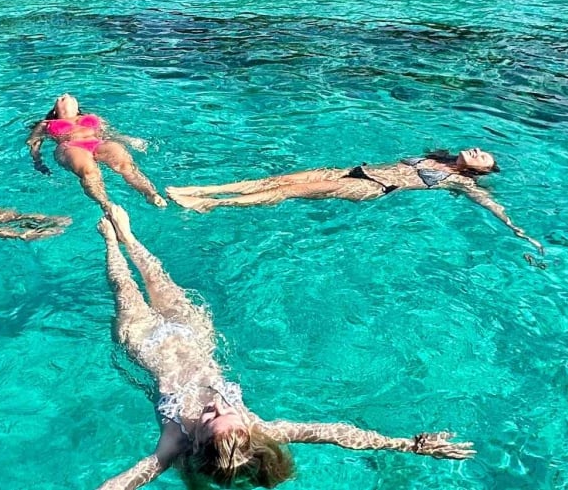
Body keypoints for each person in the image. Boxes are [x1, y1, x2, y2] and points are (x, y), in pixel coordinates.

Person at [94, 204, 473, 489]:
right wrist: (408, 445)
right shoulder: (258, 428)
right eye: (227, 412)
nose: (216, 405)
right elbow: (333, 433)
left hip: (146, 345)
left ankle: (111, 242)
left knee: (124, 287)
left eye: (209, 421)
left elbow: (126, 481)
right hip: (195, 337)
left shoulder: (174, 443)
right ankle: (129, 235)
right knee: (157, 276)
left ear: (195, 444)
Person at [167, 148, 543, 254]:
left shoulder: (460, 181)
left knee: (288, 192)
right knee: (278, 179)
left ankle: (211, 204)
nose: (477, 151)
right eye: (480, 149)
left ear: (478, 172)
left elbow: (491, 206)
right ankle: (202, 189)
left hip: (370, 188)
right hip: (351, 170)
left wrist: (517, 230)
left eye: (482, 157)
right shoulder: (440, 156)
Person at [28, 94, 165, 210]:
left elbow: (109, 133)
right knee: (89, 172)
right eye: (61, 97)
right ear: (55, 110)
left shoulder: (92, 116)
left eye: (70, 96)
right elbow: (34, 143)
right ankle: (107, 206)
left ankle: (151, 194)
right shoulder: (46, 124)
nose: (66, 95)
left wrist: (129, 140)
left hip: (99, 143)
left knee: (125, 165)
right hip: (71, 146)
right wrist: (38, 161)